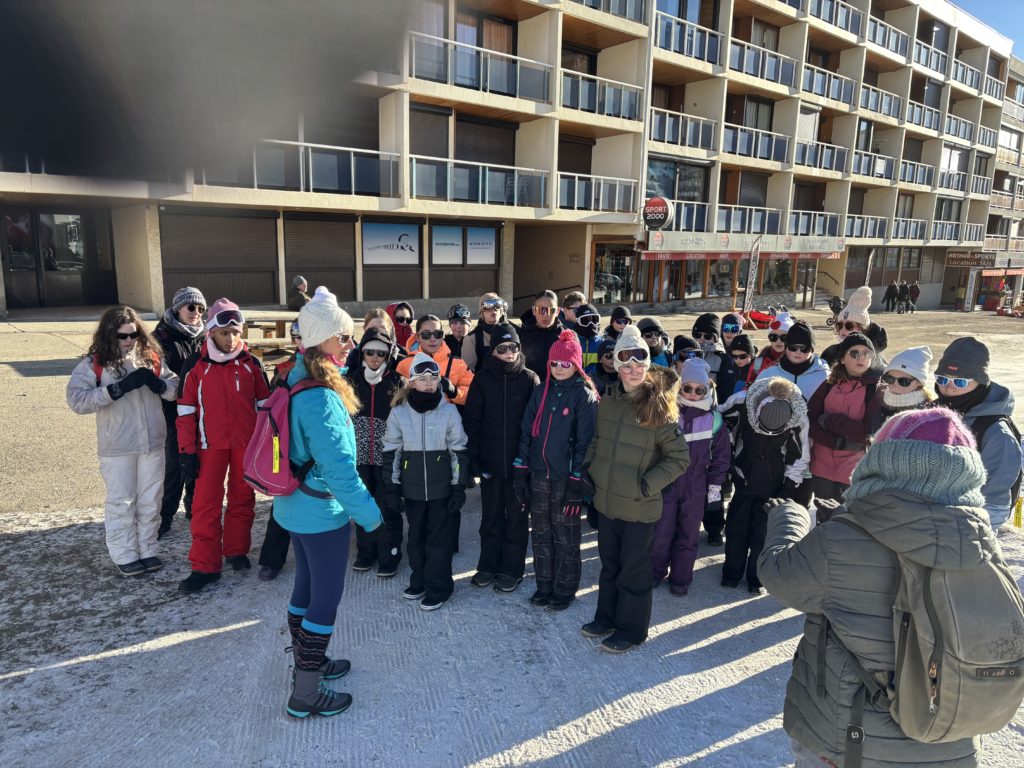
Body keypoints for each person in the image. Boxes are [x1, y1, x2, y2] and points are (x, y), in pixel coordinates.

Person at [758, 408, 990, 768]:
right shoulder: (980, 543)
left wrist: (790, 517)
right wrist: (849, 518)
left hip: (851, 740)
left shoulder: (842, 539)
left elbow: (779, 575)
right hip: (952, 741)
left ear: (882, 461)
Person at [272, 288, 384, 719]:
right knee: (326, 597)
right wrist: (372, 518)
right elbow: (339, 472)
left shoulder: (297, 375)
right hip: (320, 512)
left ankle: (310, 663)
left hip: (295, 506)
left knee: (305, 587)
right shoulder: (320, 397)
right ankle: (306, 691)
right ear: (323, 339)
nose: (351, 344)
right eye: (344, 337)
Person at [581, 326, 689, 653]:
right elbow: (598, 439)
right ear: (616, 365)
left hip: (639, 508)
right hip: (607, 501)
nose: (633, 370)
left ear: (647, 364)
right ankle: (606, 618)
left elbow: (679, 458)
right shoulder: (608, 401)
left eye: (639, 362)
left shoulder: (658, 406)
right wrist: (590, 468)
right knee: (609, 566)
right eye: (625, 363)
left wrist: (645, 485)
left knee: (634, 572)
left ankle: (631, 630)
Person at [67, 306, 180, 576]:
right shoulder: (95, 363)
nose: (129, 340)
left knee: (151, 500)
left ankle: (148, 549)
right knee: (122, 501)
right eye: (122, 336)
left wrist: (161, 386)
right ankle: (125, 553)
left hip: (152, 442)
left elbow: (174, 386)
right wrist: (114, 390)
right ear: (109, 334)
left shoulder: (150, 357)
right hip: (118, 445)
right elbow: (77, 400)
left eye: (134, 334)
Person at [176, 298, 271, 593]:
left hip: (245, 445)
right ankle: (204, 567)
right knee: (205, 505)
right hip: (209, 446)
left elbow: (266, 408)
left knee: (242, 499)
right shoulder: (196, 365)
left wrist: (266, 447)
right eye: (224, 333)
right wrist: (187, 452)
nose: (230, 339)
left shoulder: (252, 364)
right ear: (211, 333)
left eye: (235, 333)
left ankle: (236, 550)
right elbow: (185, 411)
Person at [515, 330, 598, 608]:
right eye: (554, 363)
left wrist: (577, 480)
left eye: (566, 363)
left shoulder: (584, 396)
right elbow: (527, 430)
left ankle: (564, 587)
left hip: (566, 479)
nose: (559, 368)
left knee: (565, 535)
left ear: (576, 364)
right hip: (539, 474)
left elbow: (585, 442)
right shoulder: (542, 391)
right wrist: (521, 467)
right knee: (541, 533)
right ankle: (544, 584)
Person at [382, 353, 470, 611]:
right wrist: (392, 486)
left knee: (438, 541)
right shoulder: (399, 413)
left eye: (433, 378)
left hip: (441, 489)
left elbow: (458, 450)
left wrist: (458, 486)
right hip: (413, 491)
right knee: (416, 539)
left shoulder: (448, 411)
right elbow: (392, 451)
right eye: (423, 378)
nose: (429, 383)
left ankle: (438, 587)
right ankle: (419, 580)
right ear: (412, 382)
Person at [463, 324, 539, 593]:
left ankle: (512, 569)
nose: (509, 353)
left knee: (517, 520)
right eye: (502, 348)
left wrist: (528, 462)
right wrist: (474, 459)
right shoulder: (482, 380)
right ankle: (488, 566)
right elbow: (472, 421)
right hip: (491, 464)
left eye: (513, 347)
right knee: (491, 518)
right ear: (493, 351)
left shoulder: (530, 379)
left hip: (519, 465)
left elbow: (536, 426)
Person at [723, 376, 810, 595]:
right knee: (736, 527)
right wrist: (730, 460)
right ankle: (731, 573)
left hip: (774, 483)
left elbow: (801, 455)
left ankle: (756, 578)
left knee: (763, 533)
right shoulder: (742, 402)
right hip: (744, 476)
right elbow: (720, 420)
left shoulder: (799, 417)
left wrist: (789, 485)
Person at [652, 358, 730, 595]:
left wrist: (715, 488)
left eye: (699, 390)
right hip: (667, 481)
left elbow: (721, 457)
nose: (693, 394)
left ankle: (680, 578)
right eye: (687, 388)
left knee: (688, 532)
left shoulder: (714, 419)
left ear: (707, 390)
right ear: (680, 388)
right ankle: (654, 572)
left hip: (696, 483)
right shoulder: (668, 413)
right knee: (661, 531)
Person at [934, 338, 1022, 530]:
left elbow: (995, 499)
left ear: (980, 382)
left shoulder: (995, 431)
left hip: (968, 519)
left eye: (960, 381)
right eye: (942, 379)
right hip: (931, 511)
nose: (949, 387)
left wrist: (976, 532)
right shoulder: (932, 412)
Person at [346, 327, 406, 577]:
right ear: (362, 353)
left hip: (387, 455)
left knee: (387, 504)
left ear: (388, 356)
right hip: (359, 454)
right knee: (363, 503)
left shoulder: (397, 382)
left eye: (381, 353)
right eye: (369, 352)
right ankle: (366, 552)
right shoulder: (350, 380)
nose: (374, 357)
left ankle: (389, 553)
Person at [807, 333, 883, 518]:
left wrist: (829, 420)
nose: (861, 358)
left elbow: (867, 431)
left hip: (854, 471)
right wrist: (834, 441)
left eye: (866, 353)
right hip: (822, 466)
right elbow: (810, 419)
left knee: (848, 521)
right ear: (842, 358)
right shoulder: (828, 384)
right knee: (824, 520)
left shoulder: (877, 390)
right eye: (855, 353)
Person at [152, 286, 207, 538]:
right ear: (178, 309)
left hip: (201, 409)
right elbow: (158, 373)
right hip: (173, 410)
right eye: (191, 307)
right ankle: (164, 516)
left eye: (200, 308)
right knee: (174, 463)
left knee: (200, 460)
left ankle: (194, 506)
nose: (196, 313)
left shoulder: (206, 335)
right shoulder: (161, 337)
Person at [256, 320, 304, 582]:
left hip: (313, 441)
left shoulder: (332, 368)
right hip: (286, 441)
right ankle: (272, 558)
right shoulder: (285, 369)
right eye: (299, 337)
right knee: (283, 498)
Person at [396, 315, 474, 406]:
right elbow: (397, 398)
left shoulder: (458, 364)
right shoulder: (404, 364)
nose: (432, 339)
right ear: (417, 337)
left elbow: (475, 394)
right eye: (426, 334)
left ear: (443, 336)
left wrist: (454, 392)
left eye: (437, 334)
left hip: (449, 414)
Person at [754, 320, 828, 401]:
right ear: (786, 348)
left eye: (804, 348)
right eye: (793, 347)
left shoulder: (824, 376)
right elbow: (752, 402)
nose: (798, 352)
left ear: (812, 350)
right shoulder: (768, 375)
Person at [876, 346, 935, 425]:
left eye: (903, 381)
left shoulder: (928, 414)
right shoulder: (878, 401)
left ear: (919, 383)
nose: (894, 385)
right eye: (890, 378)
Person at [520, 290, 565, 379]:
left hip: (557, 386)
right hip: (530, 385)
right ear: (533, 310)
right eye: (540, 310)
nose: (545, 315)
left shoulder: (567, 336)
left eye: (550, 310)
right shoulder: (521, 334)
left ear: (558, 311)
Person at [822, 286, 871, 367]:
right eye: (839, 325)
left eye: (849, 326)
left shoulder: (871, 357)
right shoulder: (830, 353)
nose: (843, 329)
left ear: (862, 329)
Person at [461, 292, 508, 372]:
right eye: (487, 306)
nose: (493, 310)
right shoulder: (472, 338)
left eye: (497, 305)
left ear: (502, 309)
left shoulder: (513, 332)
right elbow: (467, 372)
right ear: (481, 312)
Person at [746, 313, 792, 387]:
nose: (778, 341)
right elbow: (749, 385)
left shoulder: (796, 361)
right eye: (773, 337)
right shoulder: (759, 362)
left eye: (784, 337)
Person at [691, 313, 734, 387]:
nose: (701, 339)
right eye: (697, 335)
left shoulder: (723, 359)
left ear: (716, 339)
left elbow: (725, 388)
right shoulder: (687, 353)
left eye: (707, 336)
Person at [721, 334, 756, 398]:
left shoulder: (758, 369)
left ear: (751, 355)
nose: (738, 359)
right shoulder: (728, 366)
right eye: (734, 356)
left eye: (742, 356)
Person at [573, 302, 604, 369]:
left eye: (594, 320)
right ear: (578, 322)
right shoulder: (572, 343)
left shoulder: (602, 343)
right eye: (585, 321)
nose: (590, 324)